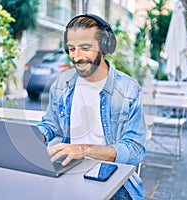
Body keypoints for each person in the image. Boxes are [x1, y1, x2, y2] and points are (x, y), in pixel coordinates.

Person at [37, 13, 146, 200]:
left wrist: (84, 150)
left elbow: (134, 151)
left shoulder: (127, 89)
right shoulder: (63, 83)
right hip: (69, 171)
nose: (77, 57)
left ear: (105, 47)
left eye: (85, 48)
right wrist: (37, 135)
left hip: (115, 180)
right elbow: (50, 124)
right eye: (71, 49)